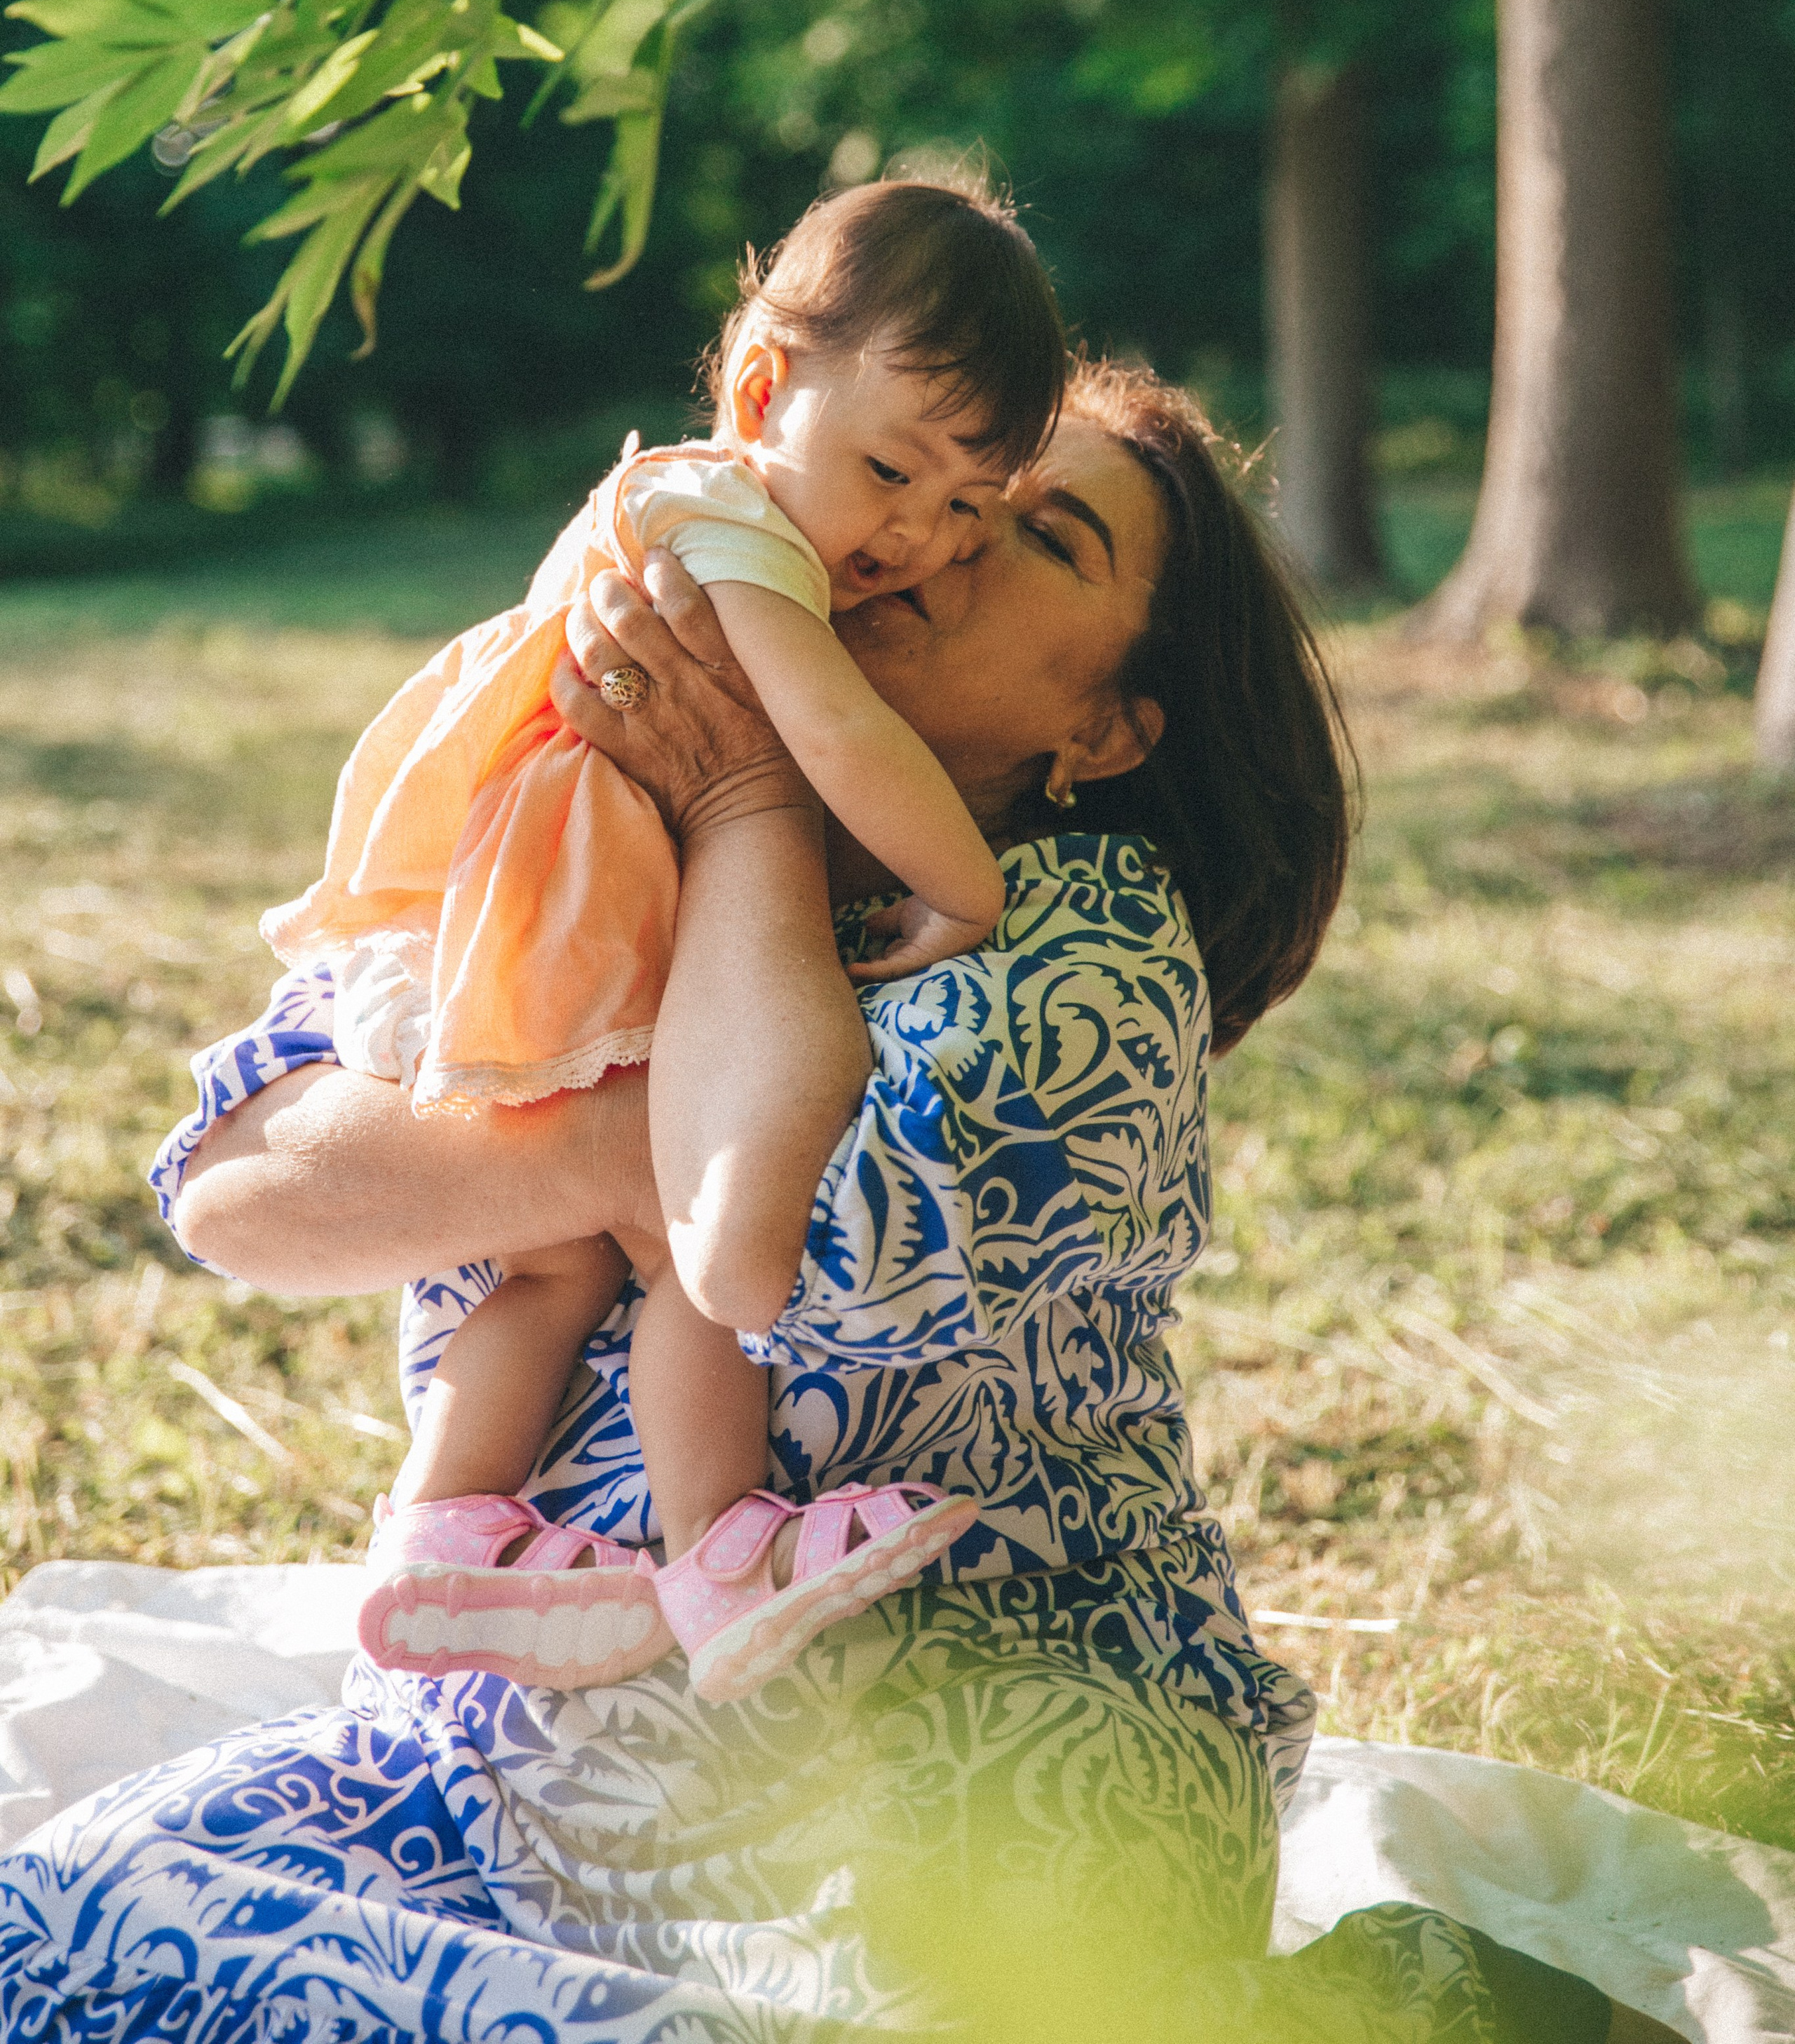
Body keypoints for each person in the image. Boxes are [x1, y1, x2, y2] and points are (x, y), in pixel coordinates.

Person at [0, 355, 1677, 2042]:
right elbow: (233, 1189)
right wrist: (605, 1129)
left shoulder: (1086, 945)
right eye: (928, 480)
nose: (929, 539)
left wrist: (745, 808)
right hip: (487, 1788)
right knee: (60, 1939)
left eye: (1032, 528)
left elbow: (785, 1245)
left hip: (947, 1781)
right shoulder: (577, 855)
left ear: (1101, 724)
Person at [264, 180, 1062, 1700]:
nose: (915, 532)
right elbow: (832, 731)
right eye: (890, 469)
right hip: (570, 913)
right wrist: (960, 888)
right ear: (763, 387)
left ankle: (440, 1535)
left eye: (966, 509)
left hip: (532, 906)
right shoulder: (723, 516)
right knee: (672, 1244)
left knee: (553, 1270)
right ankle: (720, 1552)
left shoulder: (740, 516)